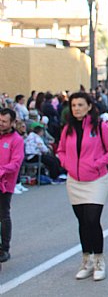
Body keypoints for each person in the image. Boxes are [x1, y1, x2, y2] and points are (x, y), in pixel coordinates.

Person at [57, 92, 108, 281]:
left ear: (89, 106)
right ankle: (87, 260)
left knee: (93, 220)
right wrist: (66, 163)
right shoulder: (67, 128)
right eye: (74, 105)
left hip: (96, 180)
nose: (76, 108)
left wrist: (95, 163)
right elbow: (60, 150)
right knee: (82, 222)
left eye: (80, 105)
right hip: (74, 181)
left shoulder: (100, 126)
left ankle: (100, 260)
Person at [0, 108, 25, 263]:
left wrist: (1, 171)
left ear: (12, 122)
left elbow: (16, 163)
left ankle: (5, 248)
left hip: (5, 183)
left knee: (3, 215)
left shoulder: (16, 140)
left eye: (4, 121)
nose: (1, 124)